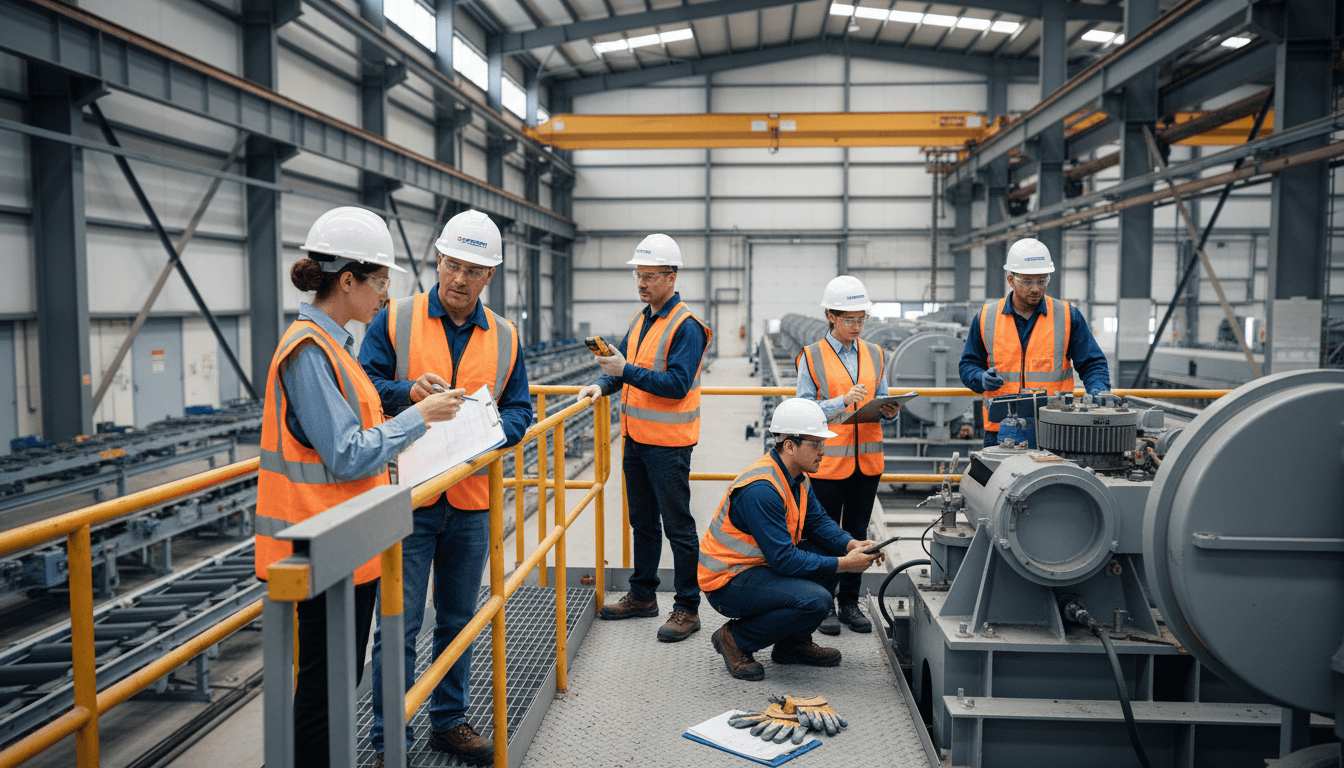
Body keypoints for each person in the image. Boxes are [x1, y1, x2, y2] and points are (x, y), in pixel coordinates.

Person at [253, 207, 464, 768]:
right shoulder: (308, 352)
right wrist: (423, 418)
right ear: (347, 280)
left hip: (344, 544)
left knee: (337, 684)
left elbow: (355, 430)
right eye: (379, 282)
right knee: (324, 694)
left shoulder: (334, 346)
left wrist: (407, 399)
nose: (384, 295)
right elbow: (346, 453)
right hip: (316, 549)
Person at [360, 209, 533, 767]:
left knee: (460, 619)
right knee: (400, 626)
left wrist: (491, 430)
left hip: (471, 500)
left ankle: (449, 720)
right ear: (438, 260)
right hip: (408, 498)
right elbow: (365, 388)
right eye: (452, 265)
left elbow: (521, 410)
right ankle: (391, 736)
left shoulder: (505, 336)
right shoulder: (394, 319)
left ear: (490, 276)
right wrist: (409, 392)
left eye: (473, 270)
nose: (459, 279)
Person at [577, 234, 711, 643]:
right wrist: (601, 384)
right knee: (642, 523)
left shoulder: (686, 327)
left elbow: (675, 384)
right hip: (636, 439)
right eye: (639, 275)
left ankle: (687, 608)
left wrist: (623, 371)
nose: (642, 283)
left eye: (650, 276)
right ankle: (642, 595)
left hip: (669, 444)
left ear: (671, 277)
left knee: (678, 527)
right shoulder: (642, 319)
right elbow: (626, 369)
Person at [698, 398, 886, 681]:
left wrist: (851, 545)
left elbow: (819, 522)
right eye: (816, 444)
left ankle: (792, 644)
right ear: (789, 446)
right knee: (816, 601)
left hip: (757, 567)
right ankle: (735, 639)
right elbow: (785, 560)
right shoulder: (761, 489)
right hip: (728, 581)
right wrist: (844, 565)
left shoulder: (797, 476)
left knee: (829, 549)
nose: (823, 451)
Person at [795, 276, 900, 636]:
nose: (856, 327)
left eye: (861, 320)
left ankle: (849, 604)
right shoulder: (811, 356)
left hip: (867, 462)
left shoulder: (876, 353)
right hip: (828, 462)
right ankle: (822, 604)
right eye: (849, 320)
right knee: (825, 536)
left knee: (858, 532)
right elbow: (803, 410)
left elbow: (882, 396)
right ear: (830, 316)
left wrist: (889, 409)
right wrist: (842, 402)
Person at [959, 238, 1110, 447]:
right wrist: (980, 378)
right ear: (1011, 280)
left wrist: (1099, 391)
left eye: (1042, 280)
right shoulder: (986, 317)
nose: (1036, 289)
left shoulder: (1067, 316)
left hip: (1055, 427)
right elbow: (967, 365)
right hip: (1001, 429)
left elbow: (1093, 363)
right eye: (1028, 281)